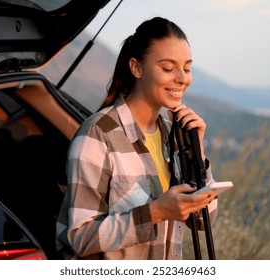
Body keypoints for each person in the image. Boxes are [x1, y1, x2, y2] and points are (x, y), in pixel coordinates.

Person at [56, 16, 218, 260]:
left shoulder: (174, 134)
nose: (182, 78)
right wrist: (155, 212)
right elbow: (80, 237)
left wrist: (198, 155)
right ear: (137, 68)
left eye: (186, 68)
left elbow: (204, 221)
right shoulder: (98, 134)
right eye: (167, 68)